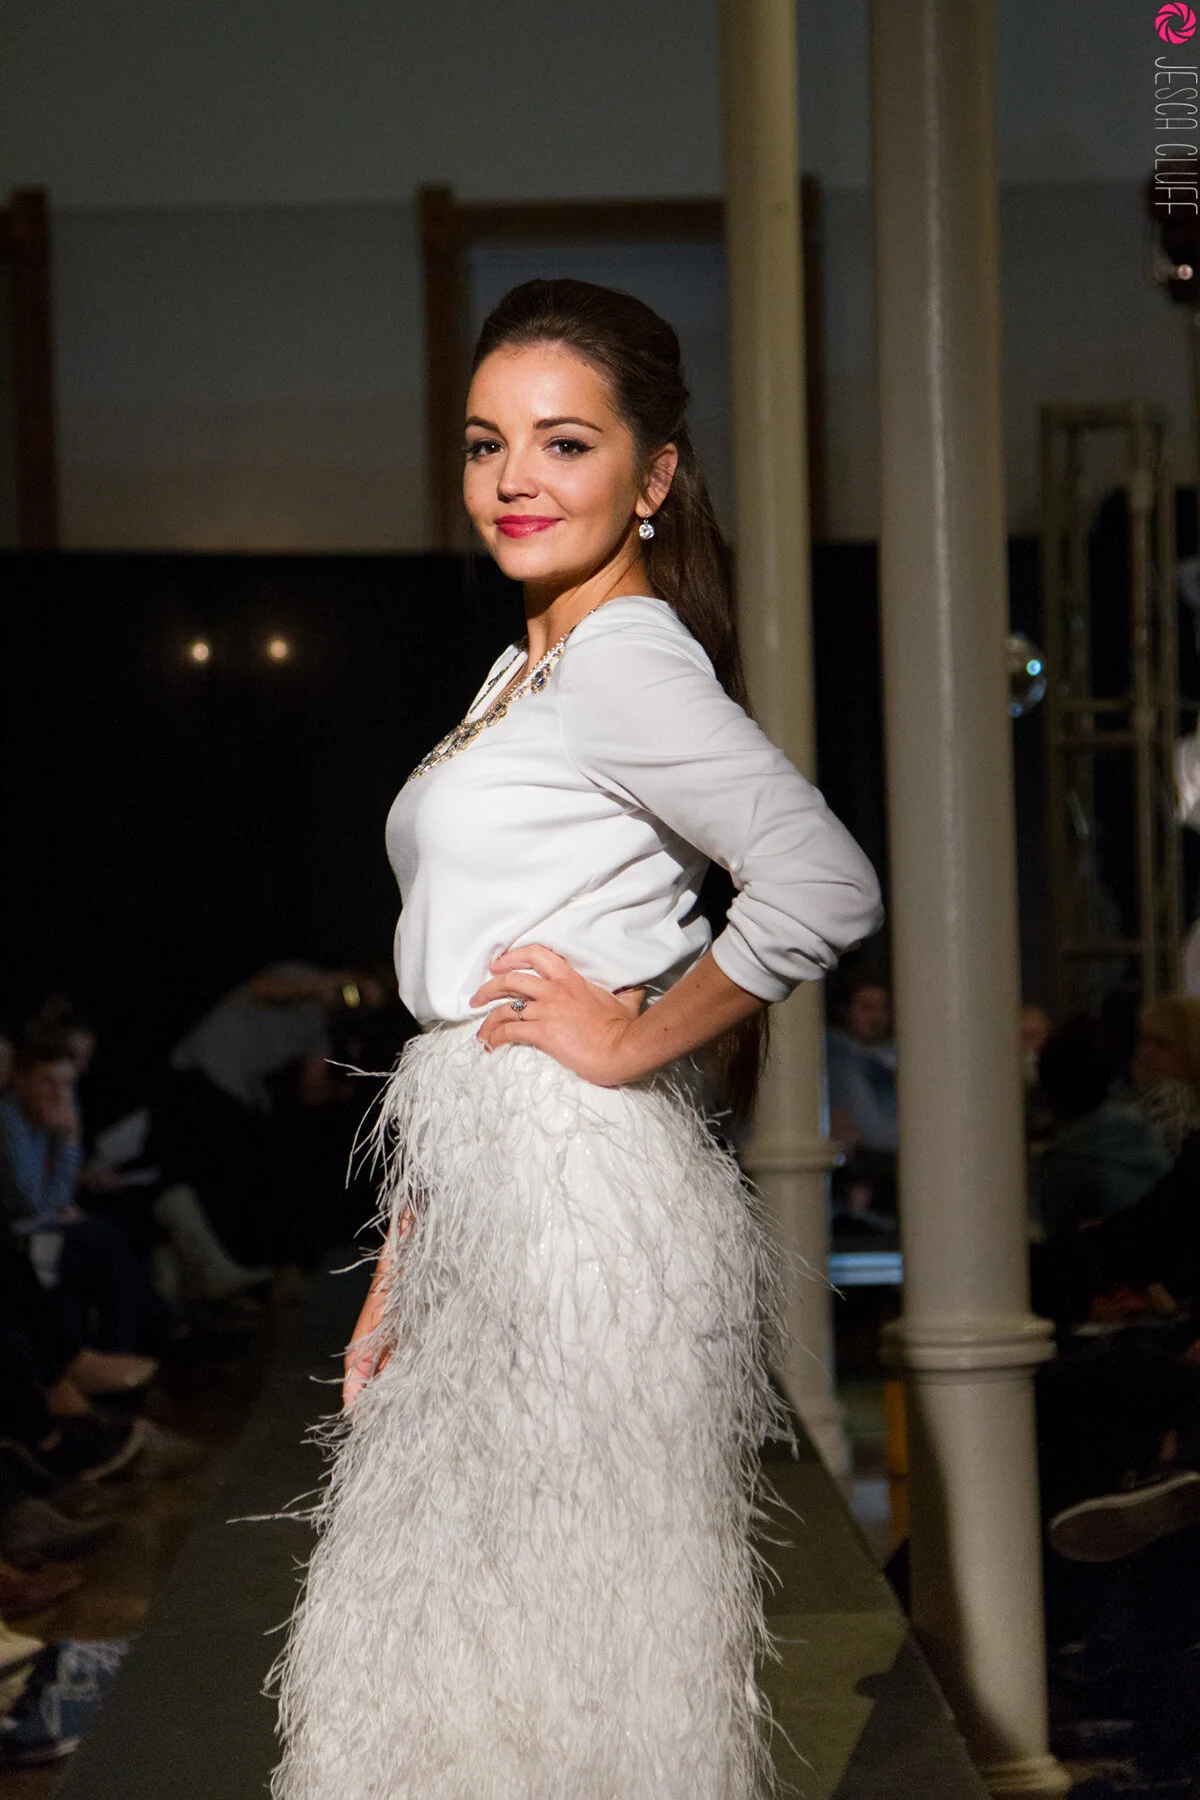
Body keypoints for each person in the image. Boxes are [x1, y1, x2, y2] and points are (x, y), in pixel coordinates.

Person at [267, 280, 881, 1799]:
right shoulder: (524, 668)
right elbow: (470, 1006)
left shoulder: (622, 658)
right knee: (466, 1656)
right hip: (496, 1200)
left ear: (652, 474)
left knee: (559, 1662)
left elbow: (823, 884)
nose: (514, 480)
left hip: (575, 1211)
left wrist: (632, 1037)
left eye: (564, 442)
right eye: (488, 444)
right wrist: (404, 1271)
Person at [826, 977, 898, 1225]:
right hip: (867, 1175)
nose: (877, 1017)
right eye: (866, 1008)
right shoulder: (837, 1063)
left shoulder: (895, 1056)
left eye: (883, 1007)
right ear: (845, 1012)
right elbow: (870, 1130)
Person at [1131, 994, 1200, 1159]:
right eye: (1144, 1040)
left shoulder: (1174, 1100)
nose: (1146, 1053)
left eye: (1164, 1045)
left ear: (1192, 1054)